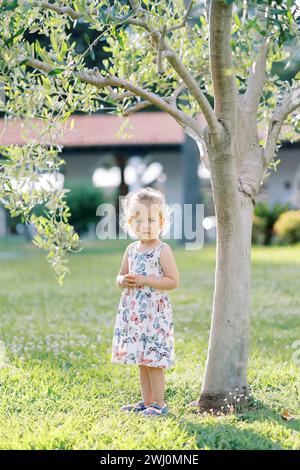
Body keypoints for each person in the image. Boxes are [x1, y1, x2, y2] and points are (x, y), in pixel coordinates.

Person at [111, 187, 179, 417]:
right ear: (130, 223)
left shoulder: (163, 250)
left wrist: (146, 280)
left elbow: (172, 281)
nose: (145, 226)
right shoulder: (131, 249)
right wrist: (123, 281)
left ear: (161, 222)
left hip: (154, 315)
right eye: (139, 221)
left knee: (154, 360)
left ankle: (159, 404)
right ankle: (146, 401)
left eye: (151, 220)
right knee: (142, 359)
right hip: (135, 315)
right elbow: (120, 276)